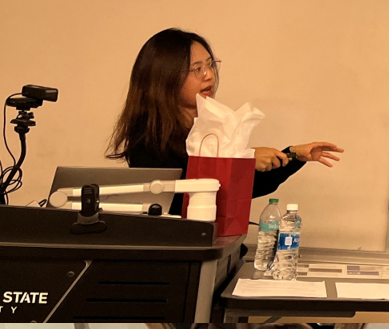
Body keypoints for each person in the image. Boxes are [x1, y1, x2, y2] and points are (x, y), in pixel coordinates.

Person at [107, 28, 343, 202]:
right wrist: (243, 161)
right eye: (197, 69)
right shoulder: (147, 139)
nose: (209, 75)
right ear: (164, 79)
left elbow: (242, 188)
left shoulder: (211, 126)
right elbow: (180, 198)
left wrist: (293, 155)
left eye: (210, 65)